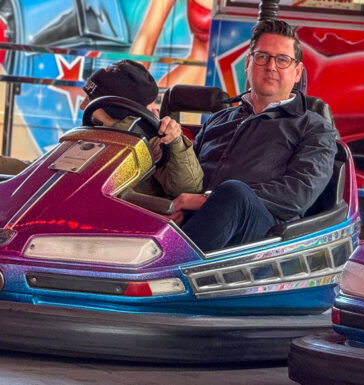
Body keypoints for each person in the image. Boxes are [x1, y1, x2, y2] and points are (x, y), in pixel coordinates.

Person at [167, 20, 337, 252]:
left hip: (264, 236)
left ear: (297, 72)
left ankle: (165, 266)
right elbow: (190, 175)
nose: (271, 66)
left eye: (282, 60)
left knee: (233, 192)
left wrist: (208, 199)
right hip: (199, 222)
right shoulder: (219, 119)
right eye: (262, 57)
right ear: (248, 63)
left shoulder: (314, 128)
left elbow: (298, 194)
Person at [0, 60, 203, 198]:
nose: (82, 107)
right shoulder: (95, 132)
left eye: (90, 101)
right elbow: (42, 171)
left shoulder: (159, 139)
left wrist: (176, 143)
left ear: (113, 107)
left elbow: (189, 188)